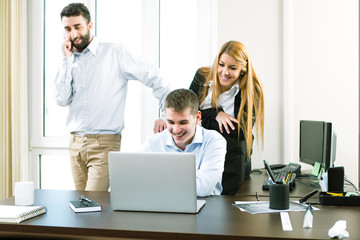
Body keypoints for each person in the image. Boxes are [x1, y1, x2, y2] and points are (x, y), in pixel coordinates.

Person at [54, 3, 171, 191]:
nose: (73, 34)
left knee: (93, 202)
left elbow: (155, 76)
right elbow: (61, 99)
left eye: (78, 27)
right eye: (67, 29)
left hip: (104, 143)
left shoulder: (115, 53)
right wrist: (67, 60)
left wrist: (166, 115)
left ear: (90, 26)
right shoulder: (68, 60)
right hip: (75, 144)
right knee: (81, 208)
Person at [189, 40, 265, 195]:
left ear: (242, 70)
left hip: (233, 161)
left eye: (232, 68)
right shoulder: (202, 77)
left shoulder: (251, 90)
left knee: (230, 212)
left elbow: (239, 132)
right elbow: (187, 113)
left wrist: (202, 120)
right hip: (200, 156)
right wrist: (215, 114)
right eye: (221, 64)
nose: (224, 72)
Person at [140, 89, 226, 197]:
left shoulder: (214, 141)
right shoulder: (152, 143)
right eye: (170, 122)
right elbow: (138, 182)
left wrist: (159, 180)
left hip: (205, 206)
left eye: (183, 122)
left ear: (197, 118)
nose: (176, 130)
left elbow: (203, 189)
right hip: (162, 204)